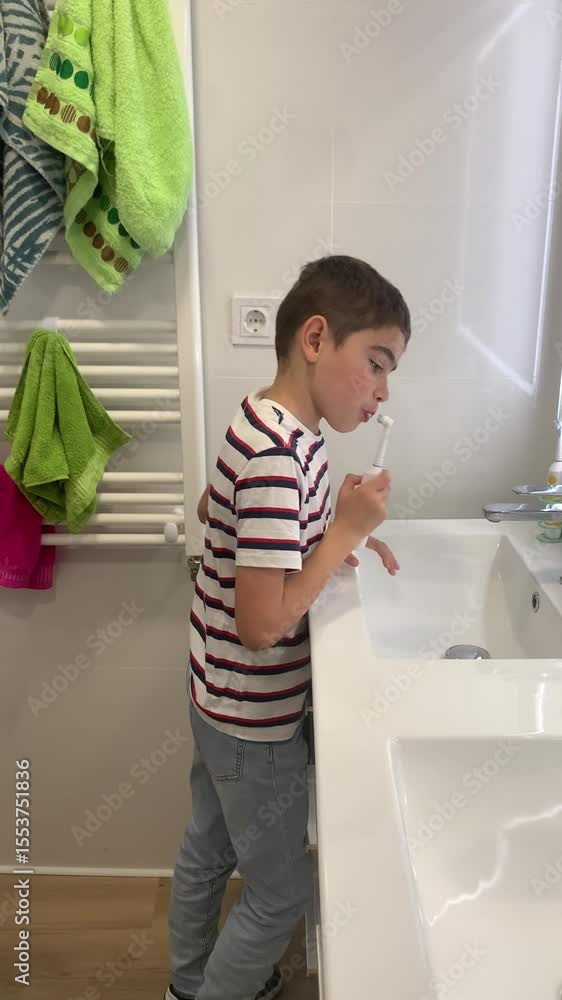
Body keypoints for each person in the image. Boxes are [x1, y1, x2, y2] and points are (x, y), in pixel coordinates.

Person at [166, 255, 411, 1000]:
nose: (382, 391)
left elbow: (217, 511)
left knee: (209, 848)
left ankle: (186, 984)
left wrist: (333, 529)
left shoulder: (262, 421)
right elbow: (263, 625)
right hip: (254, 720)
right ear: (315, 339)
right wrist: (341, 535)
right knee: (279, 896)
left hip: (213, 694)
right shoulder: (281, 455)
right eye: (376, 363)